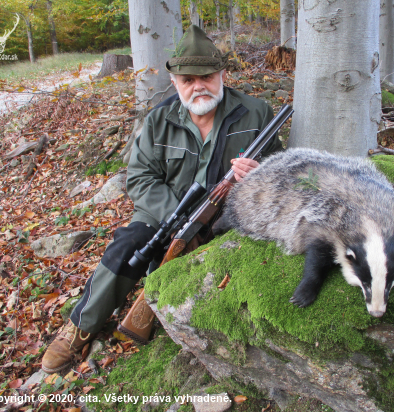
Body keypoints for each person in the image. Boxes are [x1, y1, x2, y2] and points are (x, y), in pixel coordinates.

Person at [41, 25, 282, 373]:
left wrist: (260, 172)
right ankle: (79, 329)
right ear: (175, 82)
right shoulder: (159, 120)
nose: (198, 85)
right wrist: (179, 221)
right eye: (187, 79)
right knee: (129, 245)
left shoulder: (257, 112)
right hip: (163, 214)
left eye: (207, 76)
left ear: (222, 75)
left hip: (229, 218)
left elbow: (281, 166)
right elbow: (139, 179)